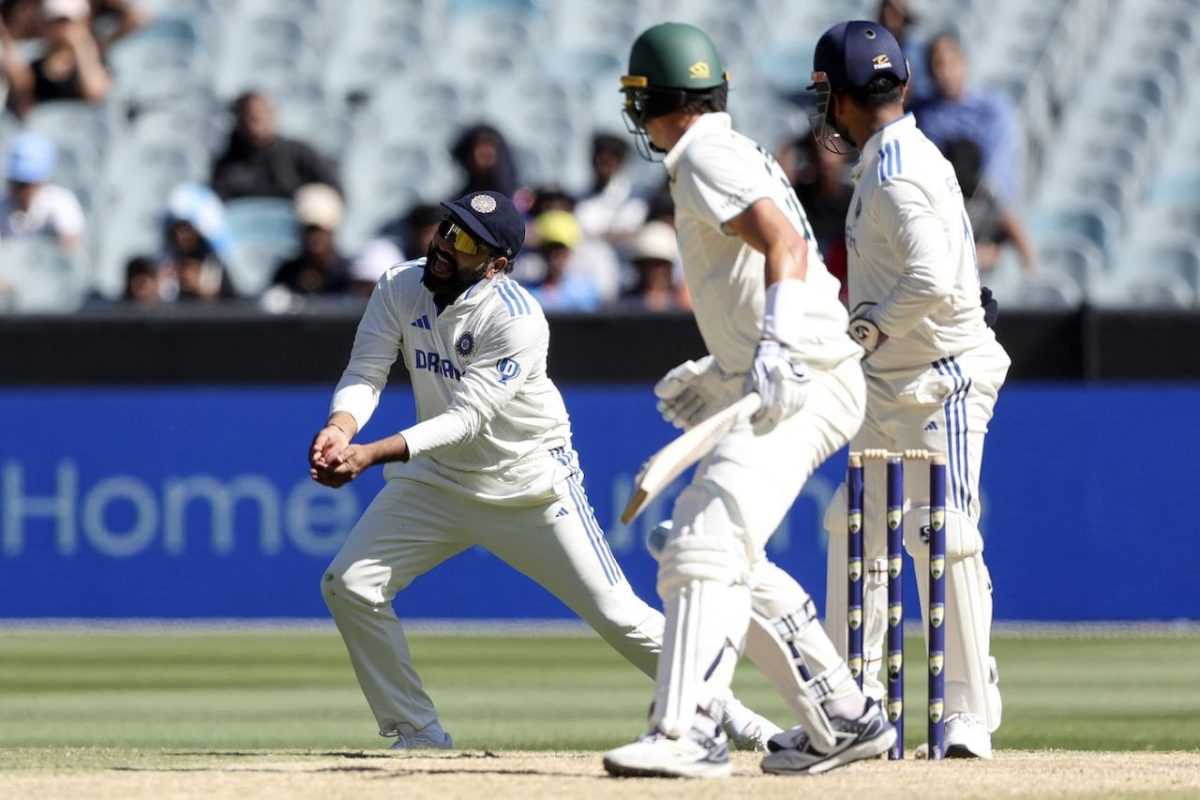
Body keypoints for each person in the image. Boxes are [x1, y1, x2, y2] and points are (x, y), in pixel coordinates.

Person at [310, 189, 777, 753]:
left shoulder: (518, 320)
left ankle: (739, 720)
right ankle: (418, 733)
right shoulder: (399, 284)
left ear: (495, 266)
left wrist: (369, 454)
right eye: (444, 229)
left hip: (529, 483)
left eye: (462, 242)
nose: (442, 246)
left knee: (620, 616)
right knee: (350, 584)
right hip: (436, 481)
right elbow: (367, 369)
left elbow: (467, 418)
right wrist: (341, 428)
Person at [602, 23, 894, 780]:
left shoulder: (701, 152)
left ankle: (689, 732)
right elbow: (761, 261)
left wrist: (769, 350)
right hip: (804, 368)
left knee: (703, 535)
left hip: (807, 373)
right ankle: (843, 714)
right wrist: (728, 366)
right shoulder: (722, 149)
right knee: (714, 545)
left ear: (653, 102)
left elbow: (784, 247)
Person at [809, 19, 1009, 759]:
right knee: (850, 532)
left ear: (842, 97)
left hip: (941, 382)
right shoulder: (894, 160)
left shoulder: (894, 172)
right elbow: (941, 271)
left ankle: (965, 714)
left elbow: (928, 275)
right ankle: (849, 704)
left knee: (945, 535)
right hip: (889, 384)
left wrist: (861, 332)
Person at [911, 32, 1023, 205]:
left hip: (986, 208)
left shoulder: (993, 109)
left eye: (950, 63)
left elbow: (996, 174)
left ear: (963, 62)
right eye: (937, 64)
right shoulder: (919, 115)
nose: (944, 72)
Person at [210, 91, 341, 202]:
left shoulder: (300, 154)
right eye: (251, 115)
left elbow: (334, 193)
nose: (259, 119)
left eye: (265, 112)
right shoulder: (227, 166)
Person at [942, 138, 1037, 276]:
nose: (962, 173)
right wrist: (978, 254)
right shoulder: (940, 197)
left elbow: (1012, 224)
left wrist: (1030, 270)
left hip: (985, 272)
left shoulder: (987, 194)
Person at [2, 0, 112, 119]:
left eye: (67, 21)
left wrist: (82, 48)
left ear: (84, 22)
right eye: (55, 22)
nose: (63, 28)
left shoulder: (99, 60)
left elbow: (95, 94)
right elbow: (26, 109)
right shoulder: (34, 66)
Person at [790, 131, 854, 304]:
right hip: (804, 283)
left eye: (832, 148)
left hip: (842, 292)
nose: (826, 157)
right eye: (819, 149)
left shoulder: (854, 201)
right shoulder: (798, 196)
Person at [0, 130, 85, 253]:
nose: (17, 189)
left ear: (40, 183)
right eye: (14, 182)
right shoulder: (3, 208)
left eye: (24, 184)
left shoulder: (61, 203)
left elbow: (73, 247)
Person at [157, 182, 236, 303]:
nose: (180, 235)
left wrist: (205, 292)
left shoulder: (216, 265)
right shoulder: (164, 264)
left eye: (186, 228)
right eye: (176, 228)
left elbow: (232, 308)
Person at [270, 183, 351, 296]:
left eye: (319, 230)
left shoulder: (349, 276)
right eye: (308, 230)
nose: (313, 237)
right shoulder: (286, 275)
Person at [574, 132, 648, 246]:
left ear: (621, 163)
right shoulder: (580, 200)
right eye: (599, 159)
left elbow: (631, 232)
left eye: (609, 161)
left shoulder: (636, 198)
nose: (603, 166)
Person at [526, 209, 601, 312]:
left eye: (560, 251)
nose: (554, 258)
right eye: (549, 250)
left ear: (569, 253)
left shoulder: (585, 292)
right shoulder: (528, 293)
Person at [618, 220, 690, 312]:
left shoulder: (684, 303)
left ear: (670, 267)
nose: (651, 271)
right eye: (644, 264)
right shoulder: (626, 304)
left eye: (658, 264)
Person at [449, 122, 518, 199]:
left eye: (490, 146)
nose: (486, 152)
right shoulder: (460, 202)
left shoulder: (519, 199)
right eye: (481, 145)